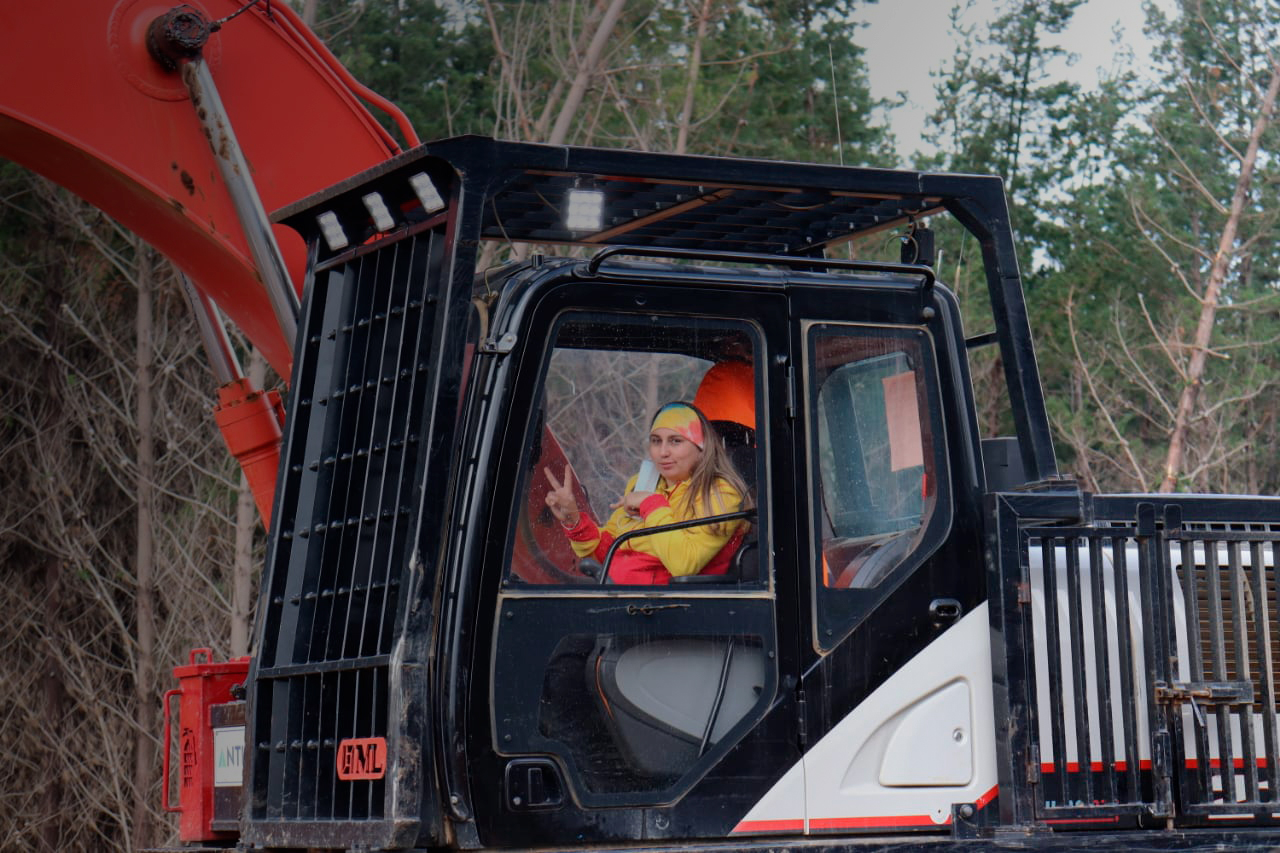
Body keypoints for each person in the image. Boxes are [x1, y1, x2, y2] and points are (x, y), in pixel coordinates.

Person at [544, 402, 749, 584]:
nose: (663, 452)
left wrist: (650, 504)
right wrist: (575, 522)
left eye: (676, 441)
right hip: (625, 603)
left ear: (701, 448)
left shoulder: (720, 493)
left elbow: (684, 563)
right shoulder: (644, 483)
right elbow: (612, 550)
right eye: (656, 441)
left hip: (676, 612)